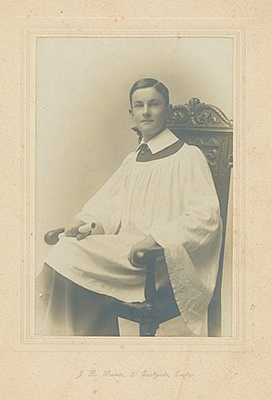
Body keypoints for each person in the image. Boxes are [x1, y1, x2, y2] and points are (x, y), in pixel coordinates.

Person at [36, 78, 222, 337]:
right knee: (66, 250)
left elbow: (205, 217)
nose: (146, 111)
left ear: (166, 110)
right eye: (139, 105)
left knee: (67, 258)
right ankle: (78, 344)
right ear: (132, 114)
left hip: (157, 261)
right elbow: (109, 207)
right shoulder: (133, 160)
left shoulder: (187, 156)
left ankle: (73, 345)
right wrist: (87, 224)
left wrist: (156, 239)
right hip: (126, 253)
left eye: (154, 104)